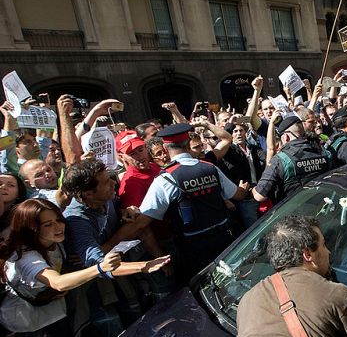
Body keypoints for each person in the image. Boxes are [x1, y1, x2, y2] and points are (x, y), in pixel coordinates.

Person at [0, 199, 168, 337]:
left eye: (58, 220)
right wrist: (100, 268)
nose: (58, 227)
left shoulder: (55, 241)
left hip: (53, 311)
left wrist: (142, 266)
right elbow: (57, 282)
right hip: (27, 321)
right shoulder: (27, 257)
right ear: (32, 229)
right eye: (48, 224)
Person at [135, 124, 247, 283]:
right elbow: (239, 195)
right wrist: (242, 188)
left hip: (194, 250)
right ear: (188, 144)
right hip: (224, 240)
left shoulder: (165, 179)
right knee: (232, 280)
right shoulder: (210, 167)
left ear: (166, 148)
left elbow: (142, 220)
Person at [252, 116, 331, 204]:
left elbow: (260, 196)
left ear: (285, 137)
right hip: (324, 208)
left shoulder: (280, 160)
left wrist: (253, 190)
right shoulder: (324, 152)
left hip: (294, 213)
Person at [115, 131, 161, 209]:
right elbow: (138, 218)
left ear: (146, 147)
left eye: (140, 150)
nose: (140, 157)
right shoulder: (131, 184)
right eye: (132, 154)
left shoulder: (154, 166)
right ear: (122, 157)